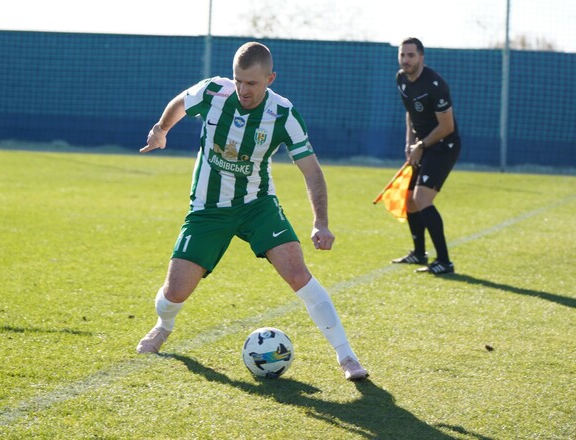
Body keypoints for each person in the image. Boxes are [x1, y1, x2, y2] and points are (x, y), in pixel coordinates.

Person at [136, 42, 368, 381]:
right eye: (238, 80)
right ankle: (163, 325)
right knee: (175, 292)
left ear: (270, 79)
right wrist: (161, 129)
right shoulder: (213, 92)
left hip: (257, 205)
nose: (243, 90)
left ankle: (346, 356)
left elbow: (312, 171)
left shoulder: (283, 114)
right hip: (208, 209)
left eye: (252, 83)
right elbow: (181, 103)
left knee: (297, 273)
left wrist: (321, 222)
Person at [392, 37, 461, 275]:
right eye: (402, 55)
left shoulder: (435, 84)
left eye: (411, 55)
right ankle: (419, 253)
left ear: (421, 57)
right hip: (422, 145)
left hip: (444, 146)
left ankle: (444, 262)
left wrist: (420, 145)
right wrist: (409, 144)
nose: (406, 60)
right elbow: (410, 113)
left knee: (422, 199)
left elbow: (447, 126)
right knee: (409, 199)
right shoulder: (401, 79)